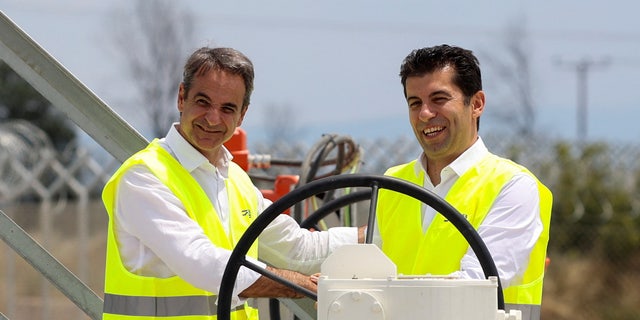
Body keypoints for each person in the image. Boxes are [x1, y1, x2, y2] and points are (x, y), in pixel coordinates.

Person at [101, 47, 362, 320]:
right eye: (203, 102)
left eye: (227, 108)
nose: (213, 118)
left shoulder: (235, 180)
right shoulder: (144, 178)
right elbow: (203, 263)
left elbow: (298, 248)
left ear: (242, 115)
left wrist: (375, 234)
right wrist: (302, 284)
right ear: (181, 97)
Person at [373, 44, 552, 320]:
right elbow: (368, 267)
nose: (425, 114)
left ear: (477, 104)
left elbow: (474, 288)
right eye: (415, 103)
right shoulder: (392, 182)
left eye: (439, 99)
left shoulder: (513, 187)